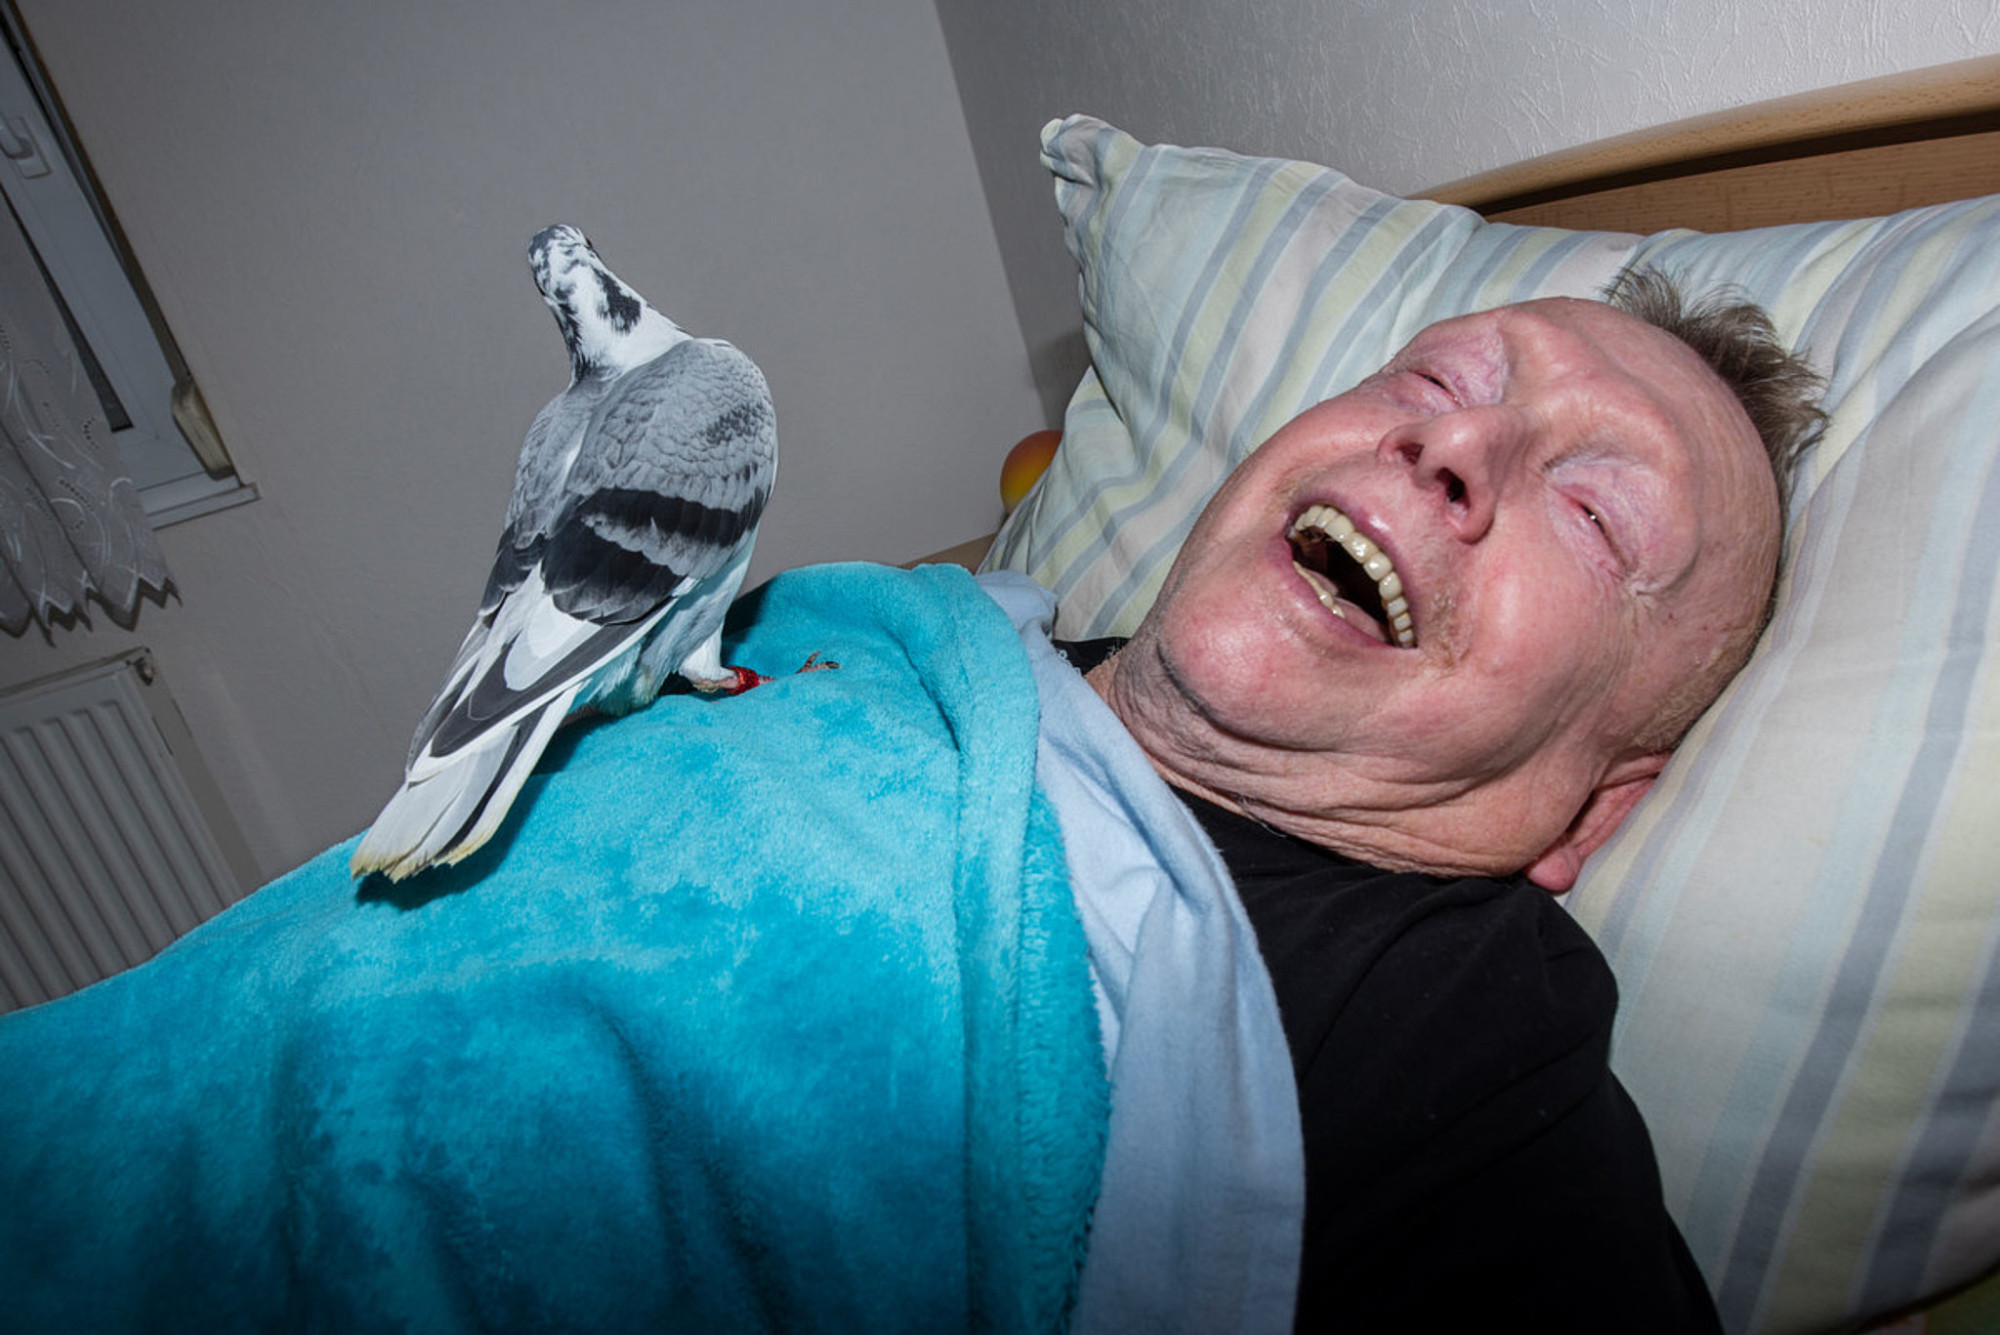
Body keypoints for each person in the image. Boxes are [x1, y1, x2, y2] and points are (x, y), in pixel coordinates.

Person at [1064, 267, 1825, 1331]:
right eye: (1433, 380)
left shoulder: (1452, 1038)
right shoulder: (937, 645)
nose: (1455, 438)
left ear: (1592, 807)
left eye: (1596, 516)